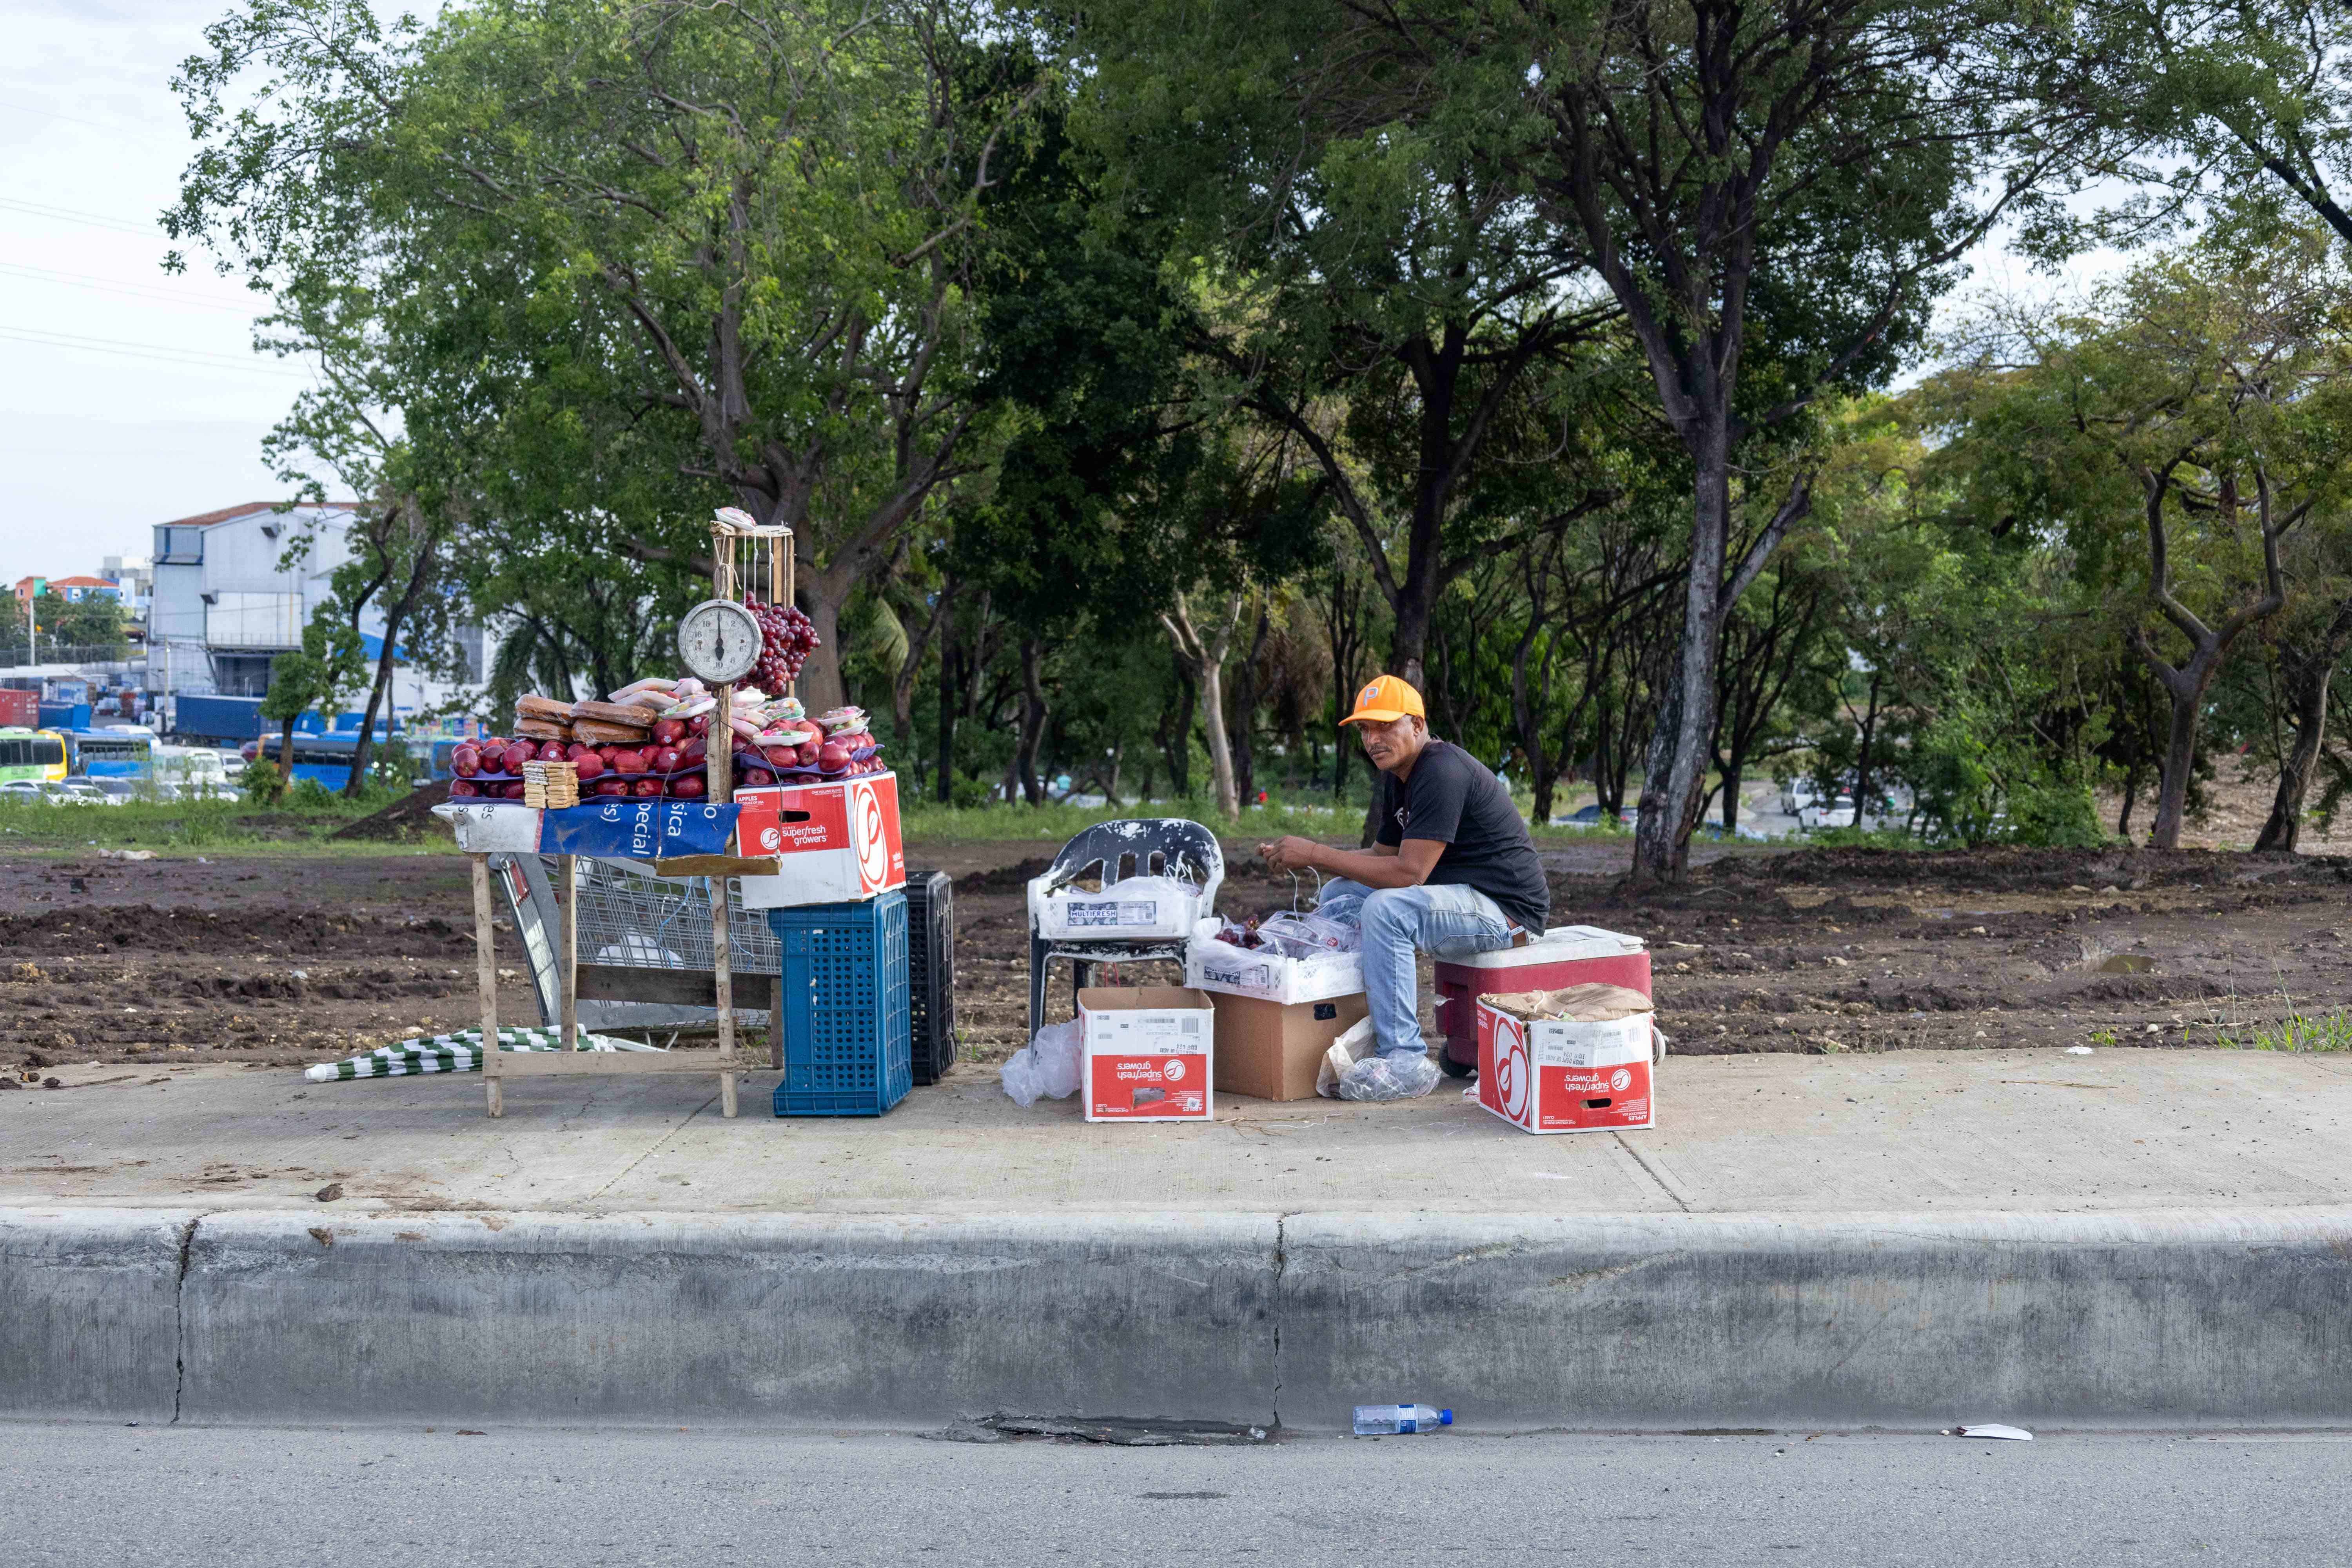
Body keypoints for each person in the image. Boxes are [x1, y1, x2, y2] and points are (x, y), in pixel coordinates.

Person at [1258, 675, 1550, 1088]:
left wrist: (1315, 854)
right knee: (1339, 891)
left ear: (1416, 724)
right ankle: (1344, 1025)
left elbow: (1409, 873)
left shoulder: (1442, 770)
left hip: (1506, 912)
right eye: (1365, 729)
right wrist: (1310, 859)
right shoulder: (1399, 774)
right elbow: (1382, 857)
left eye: (1384, 726)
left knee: (1386, 909)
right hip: (1456, 898)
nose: (1373, 739)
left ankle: (1403, 1060)